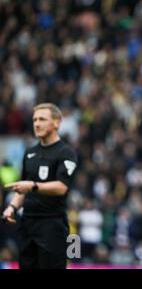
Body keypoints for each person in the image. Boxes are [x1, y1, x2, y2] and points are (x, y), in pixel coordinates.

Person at [1, 103, 78, 269]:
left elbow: (62, 187)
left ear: (56, 123)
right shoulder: (29, 152)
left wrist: (33, 186)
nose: (36, 123)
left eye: (42, 119)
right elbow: (22, 188)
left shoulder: (66, 152)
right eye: (35, 119)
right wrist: (12, 207)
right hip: (28, 224)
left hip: (52, 224)